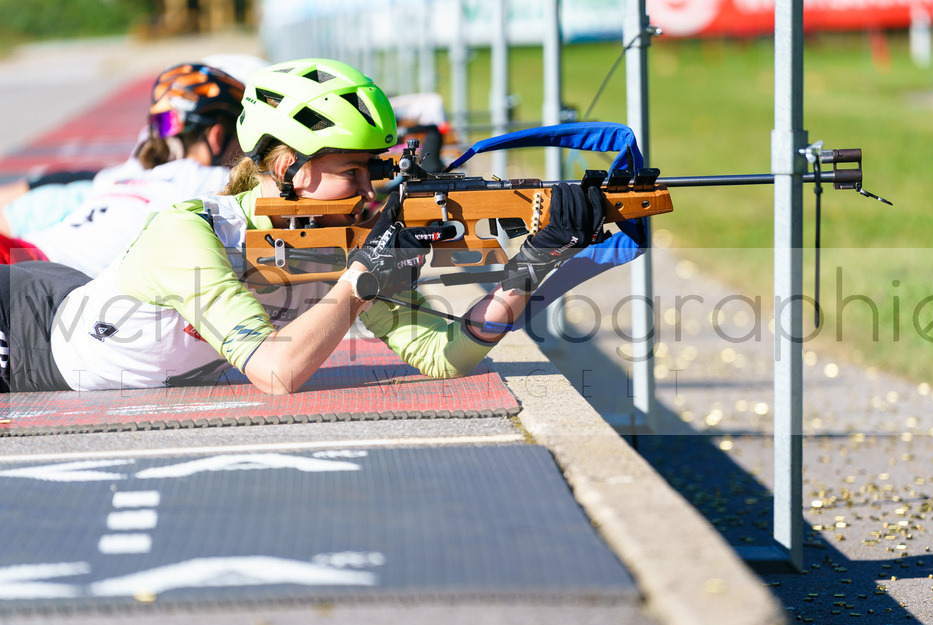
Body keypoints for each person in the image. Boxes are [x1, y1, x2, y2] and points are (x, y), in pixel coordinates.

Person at [0, 58, 605, 395]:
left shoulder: (338, 239)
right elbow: (277, 373)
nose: (370, 191)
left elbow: (441, 356)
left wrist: (533, 263)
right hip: (23, 332)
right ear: (289, 167)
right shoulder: (187, 233)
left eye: (373, 171)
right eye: (351, 172)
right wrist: (359, 282)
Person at [0, 62, 247, 276]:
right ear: (217, 136)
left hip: (24, 252)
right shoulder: (214, 182)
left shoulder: (131, 172)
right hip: (47, 273)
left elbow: (74, 176)